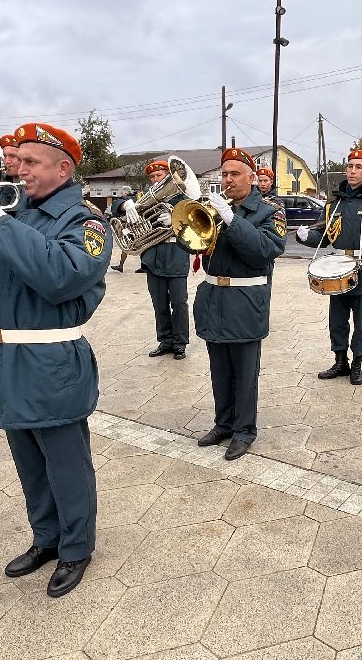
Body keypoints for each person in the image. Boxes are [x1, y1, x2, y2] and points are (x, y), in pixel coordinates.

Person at [0, 121, 110, 598]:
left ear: (63, 168)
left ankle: (76, 547)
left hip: (51, 355)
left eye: (31, 162)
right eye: (18, 159)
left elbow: (61, 275)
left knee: (65, 461)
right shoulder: (15, 213)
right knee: (28, 459)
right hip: (5, 354)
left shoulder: (85, 220)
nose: (19, 169)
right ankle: (46, 538)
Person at [192, 147, 286, 460]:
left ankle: (245, 430)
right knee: (219, 371)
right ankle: (223, 424)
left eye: (235, 174)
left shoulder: (269, 211)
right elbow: (194, 244)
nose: (228, 179)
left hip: (245, 301)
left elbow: (264, 251)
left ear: (252, 177)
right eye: (225, 174)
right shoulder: (217, 207)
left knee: (245, 374)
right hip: (214, 298)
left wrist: (232, 220)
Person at [295, 148, 362, 385]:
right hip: (336, 269)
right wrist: (303, 235)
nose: (352, 171)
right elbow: (323, 234)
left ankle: (357, 364)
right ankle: (340, 361)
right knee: (337, 320)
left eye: (358, 167)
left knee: (361, 323)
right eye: (349, 166)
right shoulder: (334, 201)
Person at [126, 158, 191, 359]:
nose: (155, 179)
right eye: (152, 176)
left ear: (168, 176)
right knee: (159, 302)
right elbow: (122, 205)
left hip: (176, 254)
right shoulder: (146, 198)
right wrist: (125, 205)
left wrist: (175, 220)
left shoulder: (182, 198)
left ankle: (180, 342)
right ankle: (165, 340)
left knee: (179, 303)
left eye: (159, 175)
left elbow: (194, 223)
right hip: (153, 256)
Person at [108, 186, 134, 273]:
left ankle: (121, 265)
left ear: (125, 193)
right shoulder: (135, 198)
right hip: (134, 227)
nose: (121, 194)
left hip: (128, 226)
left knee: (125, 245)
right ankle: (143, 266)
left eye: (122, 193)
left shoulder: (126, 200)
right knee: (139, 245)